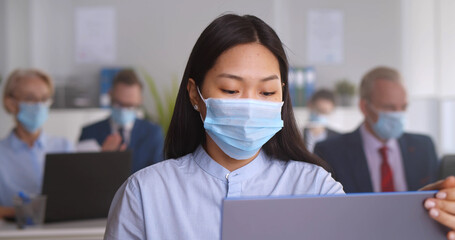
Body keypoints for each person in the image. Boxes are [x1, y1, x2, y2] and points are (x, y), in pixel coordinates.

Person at [104, 15, 455, 240]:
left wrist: (425, 217)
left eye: (267, 91)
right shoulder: (145, 194)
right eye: (230, 89)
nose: (250, 103)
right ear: (196, 94)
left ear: (282, 98)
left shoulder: (314, 186)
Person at [314, 66, 439, 193]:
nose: (398, 114)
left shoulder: (424, 147)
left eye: (403, 107)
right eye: (389, 107)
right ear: (364, 107)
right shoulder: (330, 152)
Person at [0, 69, 73, 218]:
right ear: (11, 103)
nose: (39, 105)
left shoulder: (64, 147)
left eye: (44, 99)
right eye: (30, 98)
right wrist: (24, 212)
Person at [79, 69, 164, 173]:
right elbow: (81, 175)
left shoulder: (153, 133)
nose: (124, 110)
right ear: (110, 95)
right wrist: (102, 158)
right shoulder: (89, 132)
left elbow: (158, 175)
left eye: (130, 105)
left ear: (140, 100)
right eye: (118, 103)